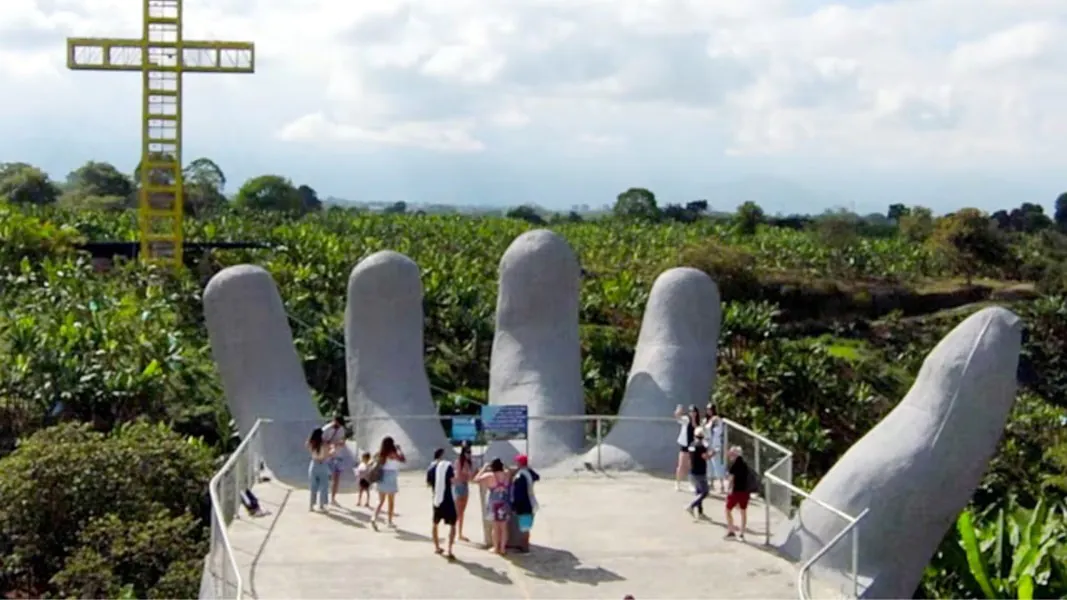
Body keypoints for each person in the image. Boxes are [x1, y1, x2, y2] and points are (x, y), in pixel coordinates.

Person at [474, 457, 512, 554]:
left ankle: (496, 548)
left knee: (495, 527)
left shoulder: (489, 475)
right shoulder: (506, 474)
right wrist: (504, 465)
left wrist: (484, 468)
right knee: (504, 528)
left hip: (494, 503)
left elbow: (476, 479)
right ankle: (503, 548)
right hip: (504, 502)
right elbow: (510, 470)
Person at [426, 448, 457, 558]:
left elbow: (428, 483)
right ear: (442, 455)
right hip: (448, 498)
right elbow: (453, 481)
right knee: (452, 524)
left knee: (435, 523)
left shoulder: (430, 468)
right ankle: (449, 549)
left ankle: (437, 547)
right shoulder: (447, 466)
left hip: (437, 499)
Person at [371, 436, 406, 530]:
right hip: (391, 476)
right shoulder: (392, 453)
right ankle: (389, 521)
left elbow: (373, 459)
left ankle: (374, 517)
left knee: (380, 501)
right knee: (391, 501)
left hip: (381, 476)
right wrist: (399, 450)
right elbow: (403, 459)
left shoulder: (380, 453)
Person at [510, 454, 540, 553]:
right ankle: (524, 547)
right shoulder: (528, 473)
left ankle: (525, 549)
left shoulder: (520, 476)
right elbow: (537, 476)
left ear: (519, 463)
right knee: (525, 528)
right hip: (530, 503)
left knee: (524, 529)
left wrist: (514, 506)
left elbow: (519, 494)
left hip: (525, 505)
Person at [725, 445, 752, 541]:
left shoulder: (734, 465)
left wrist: (728, 489)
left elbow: (731, 479)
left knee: (728, 510)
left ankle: (731, 531)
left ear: (735, 454)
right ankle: (742, 533)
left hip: (736, 491)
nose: (730, 455)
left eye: (731, 453)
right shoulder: (745, 464)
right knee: (743, 511)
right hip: (745, 492)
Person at [673, 404, 702, 491]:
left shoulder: (699, 422)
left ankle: (691, 484)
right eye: (690, 411)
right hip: (685, 445)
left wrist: (693, 420)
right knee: (681, 465)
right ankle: (677, 483)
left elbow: (697, 430)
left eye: (694, 412)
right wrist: (678, 411)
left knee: (691, 466)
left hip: (693, 446)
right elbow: (678, 418)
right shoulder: (686, 419)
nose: (692, 413)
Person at [306, 427, 335, 512]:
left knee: (313, 487)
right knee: (324, 486)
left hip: (313, 464)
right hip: (322, 465)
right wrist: (332, 449)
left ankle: (311, 506)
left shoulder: (310, 443)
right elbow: (327, 455)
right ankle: (321, 505)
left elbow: (308, 446)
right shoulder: (324, 444)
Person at [321, 414, 347, 505]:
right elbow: (321, 441)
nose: (339, 426)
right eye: (338, 424)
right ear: (334, 421)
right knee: (327, 478)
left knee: (337, 478)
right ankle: (323, 497)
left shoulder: (341, 429)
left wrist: (341, 443)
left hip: (338, 455)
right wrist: (330, 444)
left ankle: (333, 498)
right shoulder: (326, 429)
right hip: (328, 456)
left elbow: (342, 439)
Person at [685, 428, 711, 519]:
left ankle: (700, 513)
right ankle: (691, 506)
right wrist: (713, 452)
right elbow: (705, 457)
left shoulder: (691, 445)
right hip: (700, 471)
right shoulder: (701, 446)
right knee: (705, 492)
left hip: (693, 471)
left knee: (699, 492)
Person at [453, 441, 474, 541]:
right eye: (468, 452)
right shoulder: (462, 462)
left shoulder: (461, 461)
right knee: (459, 512)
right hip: (461, 485)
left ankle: (459, 533)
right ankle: (455, 533)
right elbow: (468, 476)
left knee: (460, 512)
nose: (469, 454)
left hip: (461, 485)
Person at [704, 403, 727, 493]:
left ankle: (721, 485)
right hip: (708, 444)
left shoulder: (717, 419)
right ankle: (711, 483)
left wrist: (715, 448)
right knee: (709, 465)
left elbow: (718, 432)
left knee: (717, 465)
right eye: (707, 409)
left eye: (710, 409)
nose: (708, 411)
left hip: (715, 445)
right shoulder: (707, 420)